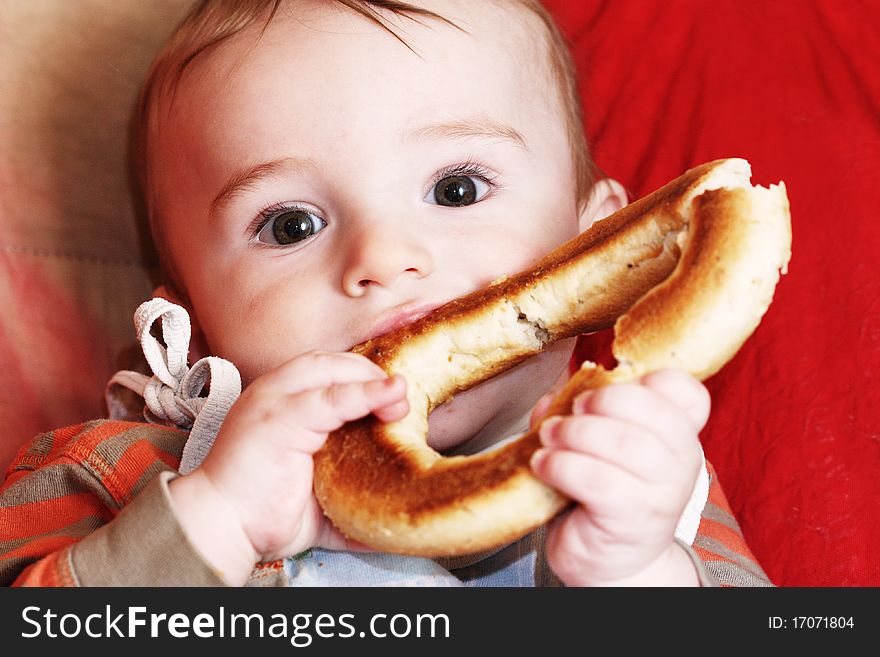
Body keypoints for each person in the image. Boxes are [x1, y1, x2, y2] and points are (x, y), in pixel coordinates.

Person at [0, 0, 771, 587]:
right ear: (193, 329)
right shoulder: (116, 472)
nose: (384, 256)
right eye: (291, 224)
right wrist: (214, 523)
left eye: (458, 187)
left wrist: (639, 573)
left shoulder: (638, 476)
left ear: (596, 250)